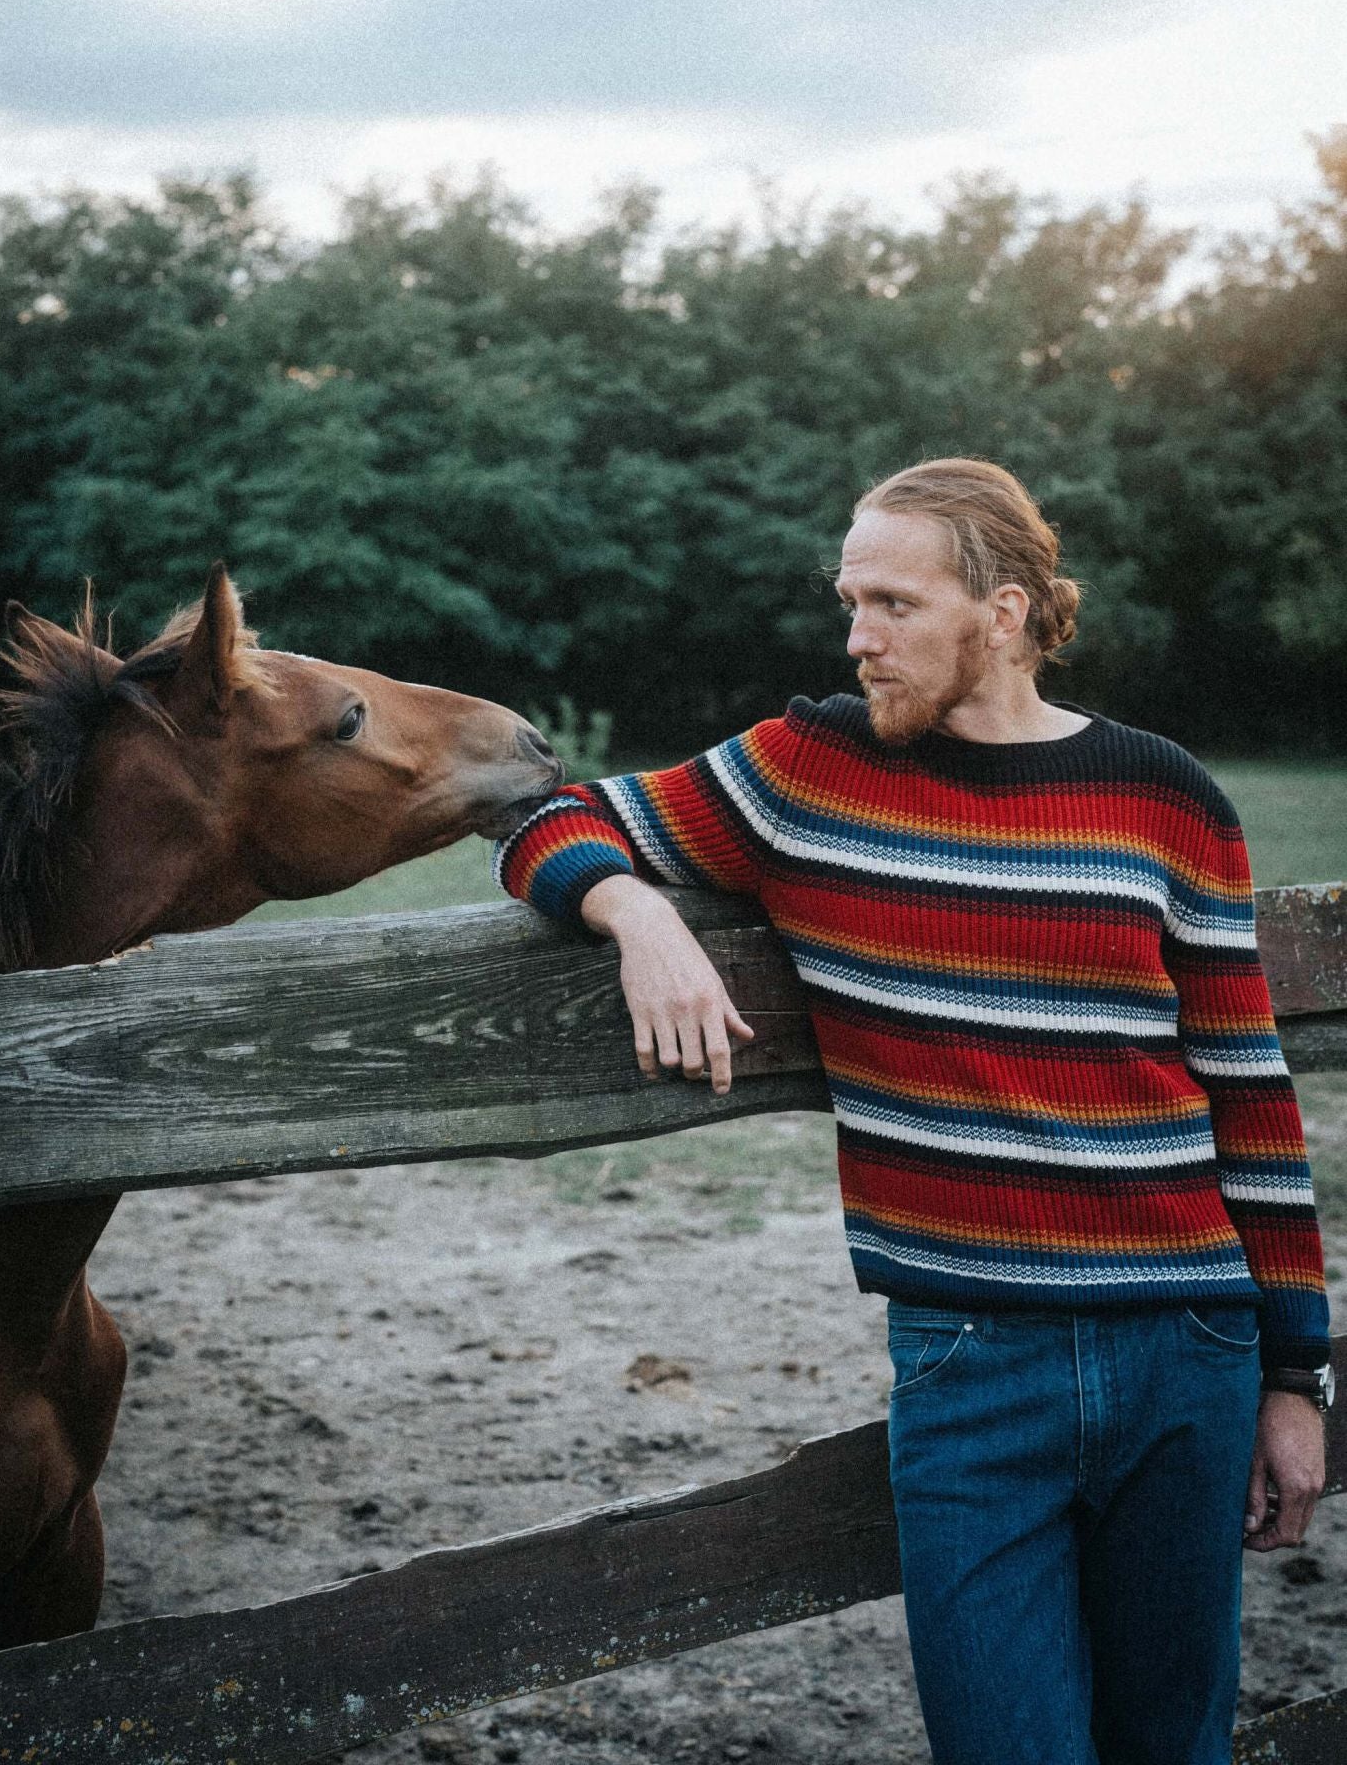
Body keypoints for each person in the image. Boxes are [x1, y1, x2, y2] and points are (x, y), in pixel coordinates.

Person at [495, 456, 1331, 1765]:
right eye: (848, 602)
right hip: (966, 1364)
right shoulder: (803, 771)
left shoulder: (1164, 795)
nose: (856, 639)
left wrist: (1293, 1375)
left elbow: (1247, 1097)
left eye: (892, 604)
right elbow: (546, 817)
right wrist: (636, 910)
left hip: (1185, 1349)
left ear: (999, 614)